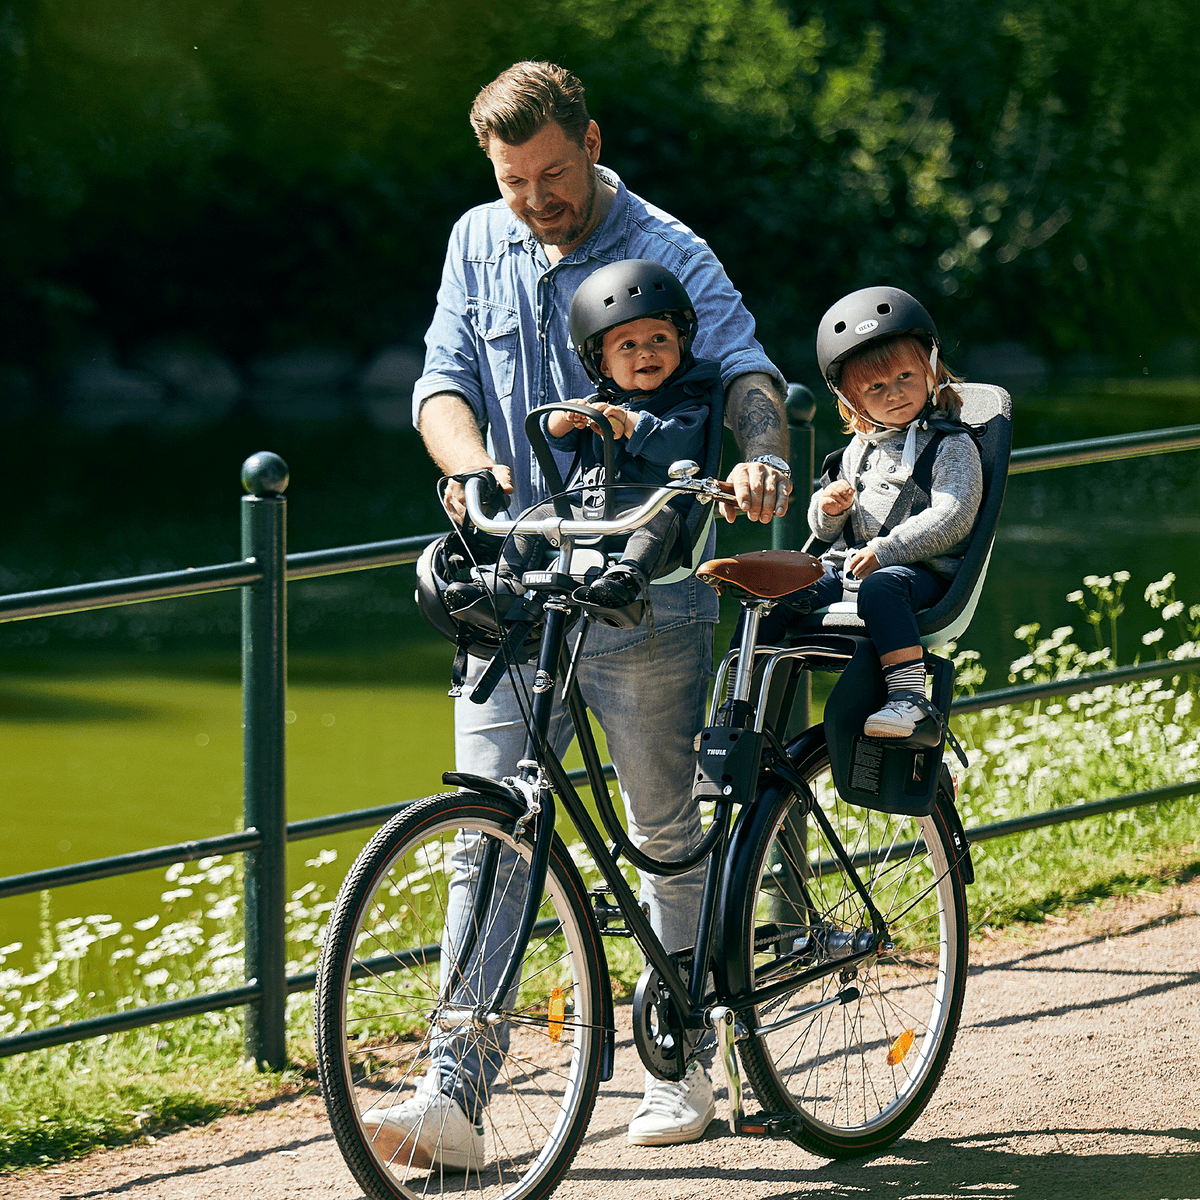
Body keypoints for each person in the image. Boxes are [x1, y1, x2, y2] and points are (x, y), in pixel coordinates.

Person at [372, 60, 792, 1167]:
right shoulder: (477, 238)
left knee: (662, 831)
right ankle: (456, 1097)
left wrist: (759, 462)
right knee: (487, 837)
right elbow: (442, 378)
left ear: (592, 141)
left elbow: (750, 375)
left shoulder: (673, 248)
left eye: (553, 174)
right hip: (515, 585)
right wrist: (467, 472)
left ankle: (682, 1061)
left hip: (640, 592)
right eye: (515, 181)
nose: (536, 201)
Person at [444, 259, 722, 627]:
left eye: (660, 339)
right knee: (537, 516)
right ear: (603, 366)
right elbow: (556, 441)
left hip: (649, 512)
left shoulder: (690, 402)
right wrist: (564, 421)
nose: (646, 352)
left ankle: (625, 579)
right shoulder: (602, 404)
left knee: (664, 519)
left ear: (681, 344)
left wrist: (629, 424)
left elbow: (676, 447)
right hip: (590, 508)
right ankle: (503, 579)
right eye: (628, 346)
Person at [769, 286, 982, 739]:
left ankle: (909, 698)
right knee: (774, 593)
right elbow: (826, 532)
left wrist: (886, 552)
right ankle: (742, 701)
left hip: (919, 575)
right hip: (852, 568)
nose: (895, 394)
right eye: (875, 387)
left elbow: (954, 514)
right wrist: (826, 511)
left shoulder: (952, 445)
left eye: (905, 376)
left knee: (884, 587)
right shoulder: (857, 449)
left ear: (930, 370)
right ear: (852, 399)